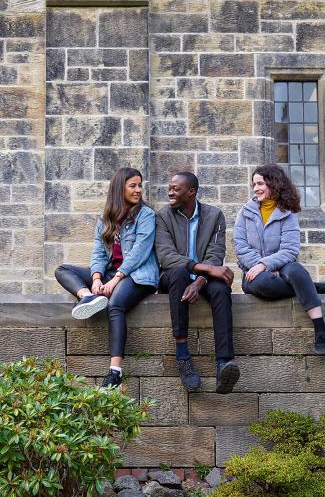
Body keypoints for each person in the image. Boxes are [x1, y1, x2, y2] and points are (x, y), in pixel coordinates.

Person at [54, 167, 159, 388]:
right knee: (63, 269)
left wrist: (115, 279)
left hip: (139, 276)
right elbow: (98, 253)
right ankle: (87, 297)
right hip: (111, 274)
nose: (138, 190)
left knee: (115, 305)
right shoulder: (105, 219)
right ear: (119, 188)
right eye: (133, 186)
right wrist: (96, 279)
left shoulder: (146, 215)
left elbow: (140, 251)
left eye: (140, 185)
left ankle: (115, 371)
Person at [233, 164, 325, 355]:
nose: (256, 188)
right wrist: (260, 266)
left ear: (274, 184)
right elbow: (241, 247)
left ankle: (320, 330)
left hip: (282, 267)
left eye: (261, 183)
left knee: (296, 270)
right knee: (264, 282)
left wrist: (267, 263)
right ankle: (309, 287)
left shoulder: (287, 215)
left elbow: (290, 250)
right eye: (254, 184)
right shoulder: (244, 213)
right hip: (254, 273)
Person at [156, 172, 240, 394]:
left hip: (203, 279)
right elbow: (166, 256)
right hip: (173, 277)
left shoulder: (214, 216)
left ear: (191, 192)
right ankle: (182, 354)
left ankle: (224, 363)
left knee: (221, 288)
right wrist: (204, 268)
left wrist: (201, 280)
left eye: (176, 188)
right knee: (178, 274)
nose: (170, 192)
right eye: (170, 187)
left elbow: (216, 254)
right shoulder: (163, 216)